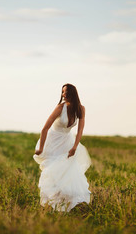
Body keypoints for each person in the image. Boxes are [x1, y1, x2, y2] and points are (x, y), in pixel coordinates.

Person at [34, 83, 91, 212]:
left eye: (65, 92)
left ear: (73, 93)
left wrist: (75, 147)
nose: (63, 94)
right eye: (62, 92)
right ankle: (52, 203)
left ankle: (67, 203)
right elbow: (45, 128)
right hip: (52, 142)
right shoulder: (60, 108)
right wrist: (41, 148)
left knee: (68, 172)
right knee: (52, 172)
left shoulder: (81, 109)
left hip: (67, 142)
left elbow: (80, 130)